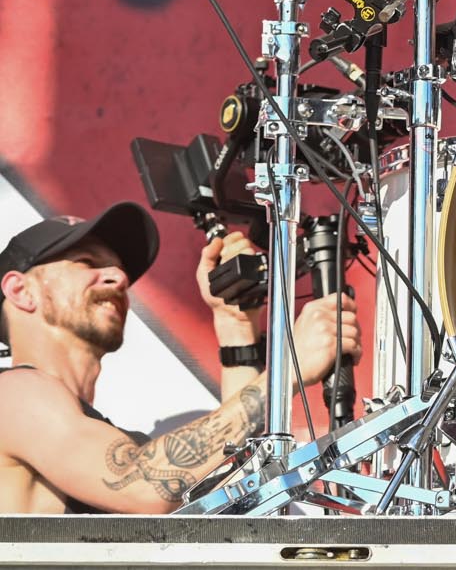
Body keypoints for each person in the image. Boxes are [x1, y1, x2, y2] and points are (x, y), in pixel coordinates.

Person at [0, 205, 357, 514]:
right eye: (87, 262)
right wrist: (285, 372)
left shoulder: (105, 444)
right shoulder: (13, 395)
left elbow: (232, 492)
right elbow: (143, 485)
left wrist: (235, 330)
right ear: (20, 290)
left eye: (119, 268)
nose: (119, 277)